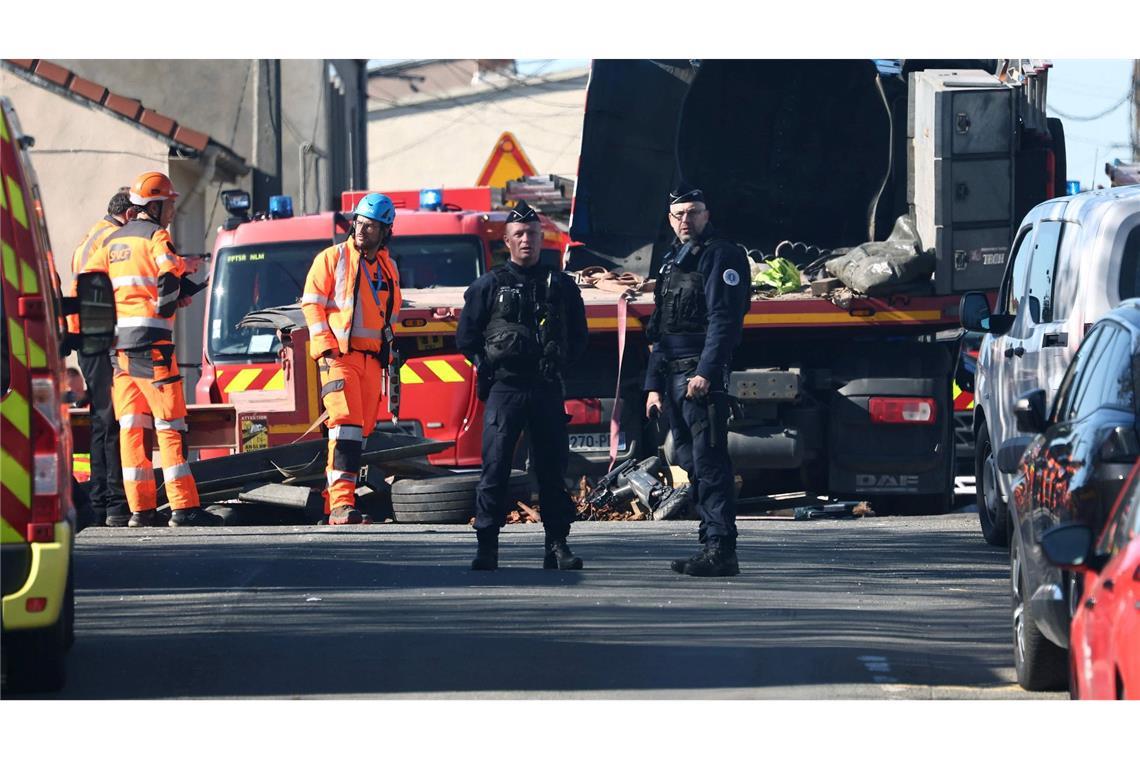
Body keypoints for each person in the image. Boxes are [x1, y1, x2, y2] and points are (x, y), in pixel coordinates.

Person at [456, 201, 589, 570]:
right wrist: (487, 366)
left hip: (546, 387)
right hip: (506, 388)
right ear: (507, 241)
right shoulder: (489, 286)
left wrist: (558, 361)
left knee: (551, 469)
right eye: (519, 235)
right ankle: (487, 547)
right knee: (495, 467)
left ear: (541, 238)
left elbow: (579, 336)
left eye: (531, 233)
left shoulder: (560, 285)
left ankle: (557, 545)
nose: (526, 240)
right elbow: (466, 337)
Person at [82, 171, 218, 527]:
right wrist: (168, 304)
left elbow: (90, 285)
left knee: (132, 427)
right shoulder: (157, 237)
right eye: (170, 204)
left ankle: (139, 511)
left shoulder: (109, 243)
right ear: (154, 206)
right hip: (153, 348)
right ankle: (183, 507)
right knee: (170, 424)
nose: (172, 211)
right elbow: (168, 274)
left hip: (119, 354)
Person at [644, 185, 750, 576]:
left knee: (709, 461)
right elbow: (660, 328)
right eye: (678, 214)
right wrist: (652, 386)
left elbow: (724, 321)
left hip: (697, 374)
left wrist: (706, 371)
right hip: (672, 373)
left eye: (693, 212)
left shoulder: (723, 255)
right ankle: (711, 538)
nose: (685, 221)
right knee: (686, 458)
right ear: (669, 219)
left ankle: (720, 548)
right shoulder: (672, 260)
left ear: (707, 214)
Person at [302, 193, 402, 525]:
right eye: (359, 223)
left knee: (361, 430)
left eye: (371, 226)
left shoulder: (388, 268)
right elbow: (312, 304)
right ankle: (343, 504)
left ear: (384, 231)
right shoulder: (331, 259)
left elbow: (388, 313)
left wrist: (387, 354)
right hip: (339, 356)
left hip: (371, 361)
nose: (362, 231)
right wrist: (325, 345)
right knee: (345, 427)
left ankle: (336, 504)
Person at [70, 187, 133, 526]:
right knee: (110, 422)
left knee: (102, 420)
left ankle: (102, 502)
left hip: (87, 337)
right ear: (130, 214)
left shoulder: (91, 236)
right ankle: (110, 503)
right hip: (100, 337)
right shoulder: (112, 239)